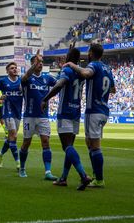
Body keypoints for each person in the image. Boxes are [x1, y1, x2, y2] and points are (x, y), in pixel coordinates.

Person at [63, 43, 116, 188]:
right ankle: (96, 176)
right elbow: (113, 89)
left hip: (94, 110)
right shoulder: (107, 68)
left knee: (95, 146)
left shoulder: (94, 65)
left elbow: (86, 73)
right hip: (104, 110)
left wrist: (71, 65)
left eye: (88, 52)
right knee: (89, 142)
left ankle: (99, 179)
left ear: (92, 53)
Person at [41, 46, 92, 190]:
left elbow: (59, 85)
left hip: (65, 112)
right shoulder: (81, 72)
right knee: (70, 146)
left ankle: (83, 175)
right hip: (76, 112)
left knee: (67, 146)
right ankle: (63, 178)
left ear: (69, 57)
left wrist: (45, 99)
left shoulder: (67, 70)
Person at [18, 53, 58, 180]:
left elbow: (60, 84)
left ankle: (48, 172)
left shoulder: (47, 78)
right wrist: (34, 64)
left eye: (41, 62)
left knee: (46, 142)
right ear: (32, 64)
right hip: (29, 116)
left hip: (43, 116)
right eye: (37, 62)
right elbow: (24, 78)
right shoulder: (27, 78)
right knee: (26, 143)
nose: (40, 63)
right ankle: (22, 168)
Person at [0, 62, 23, 170]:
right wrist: (0, 96)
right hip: (8, 111)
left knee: (11, 138)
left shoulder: (21, 81)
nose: (15, 69)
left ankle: (0, 154)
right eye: (12, 68)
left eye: (15, 68)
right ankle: (18, 163)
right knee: (14, 136)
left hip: (18, 112)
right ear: (7, 71)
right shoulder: (3, 81)